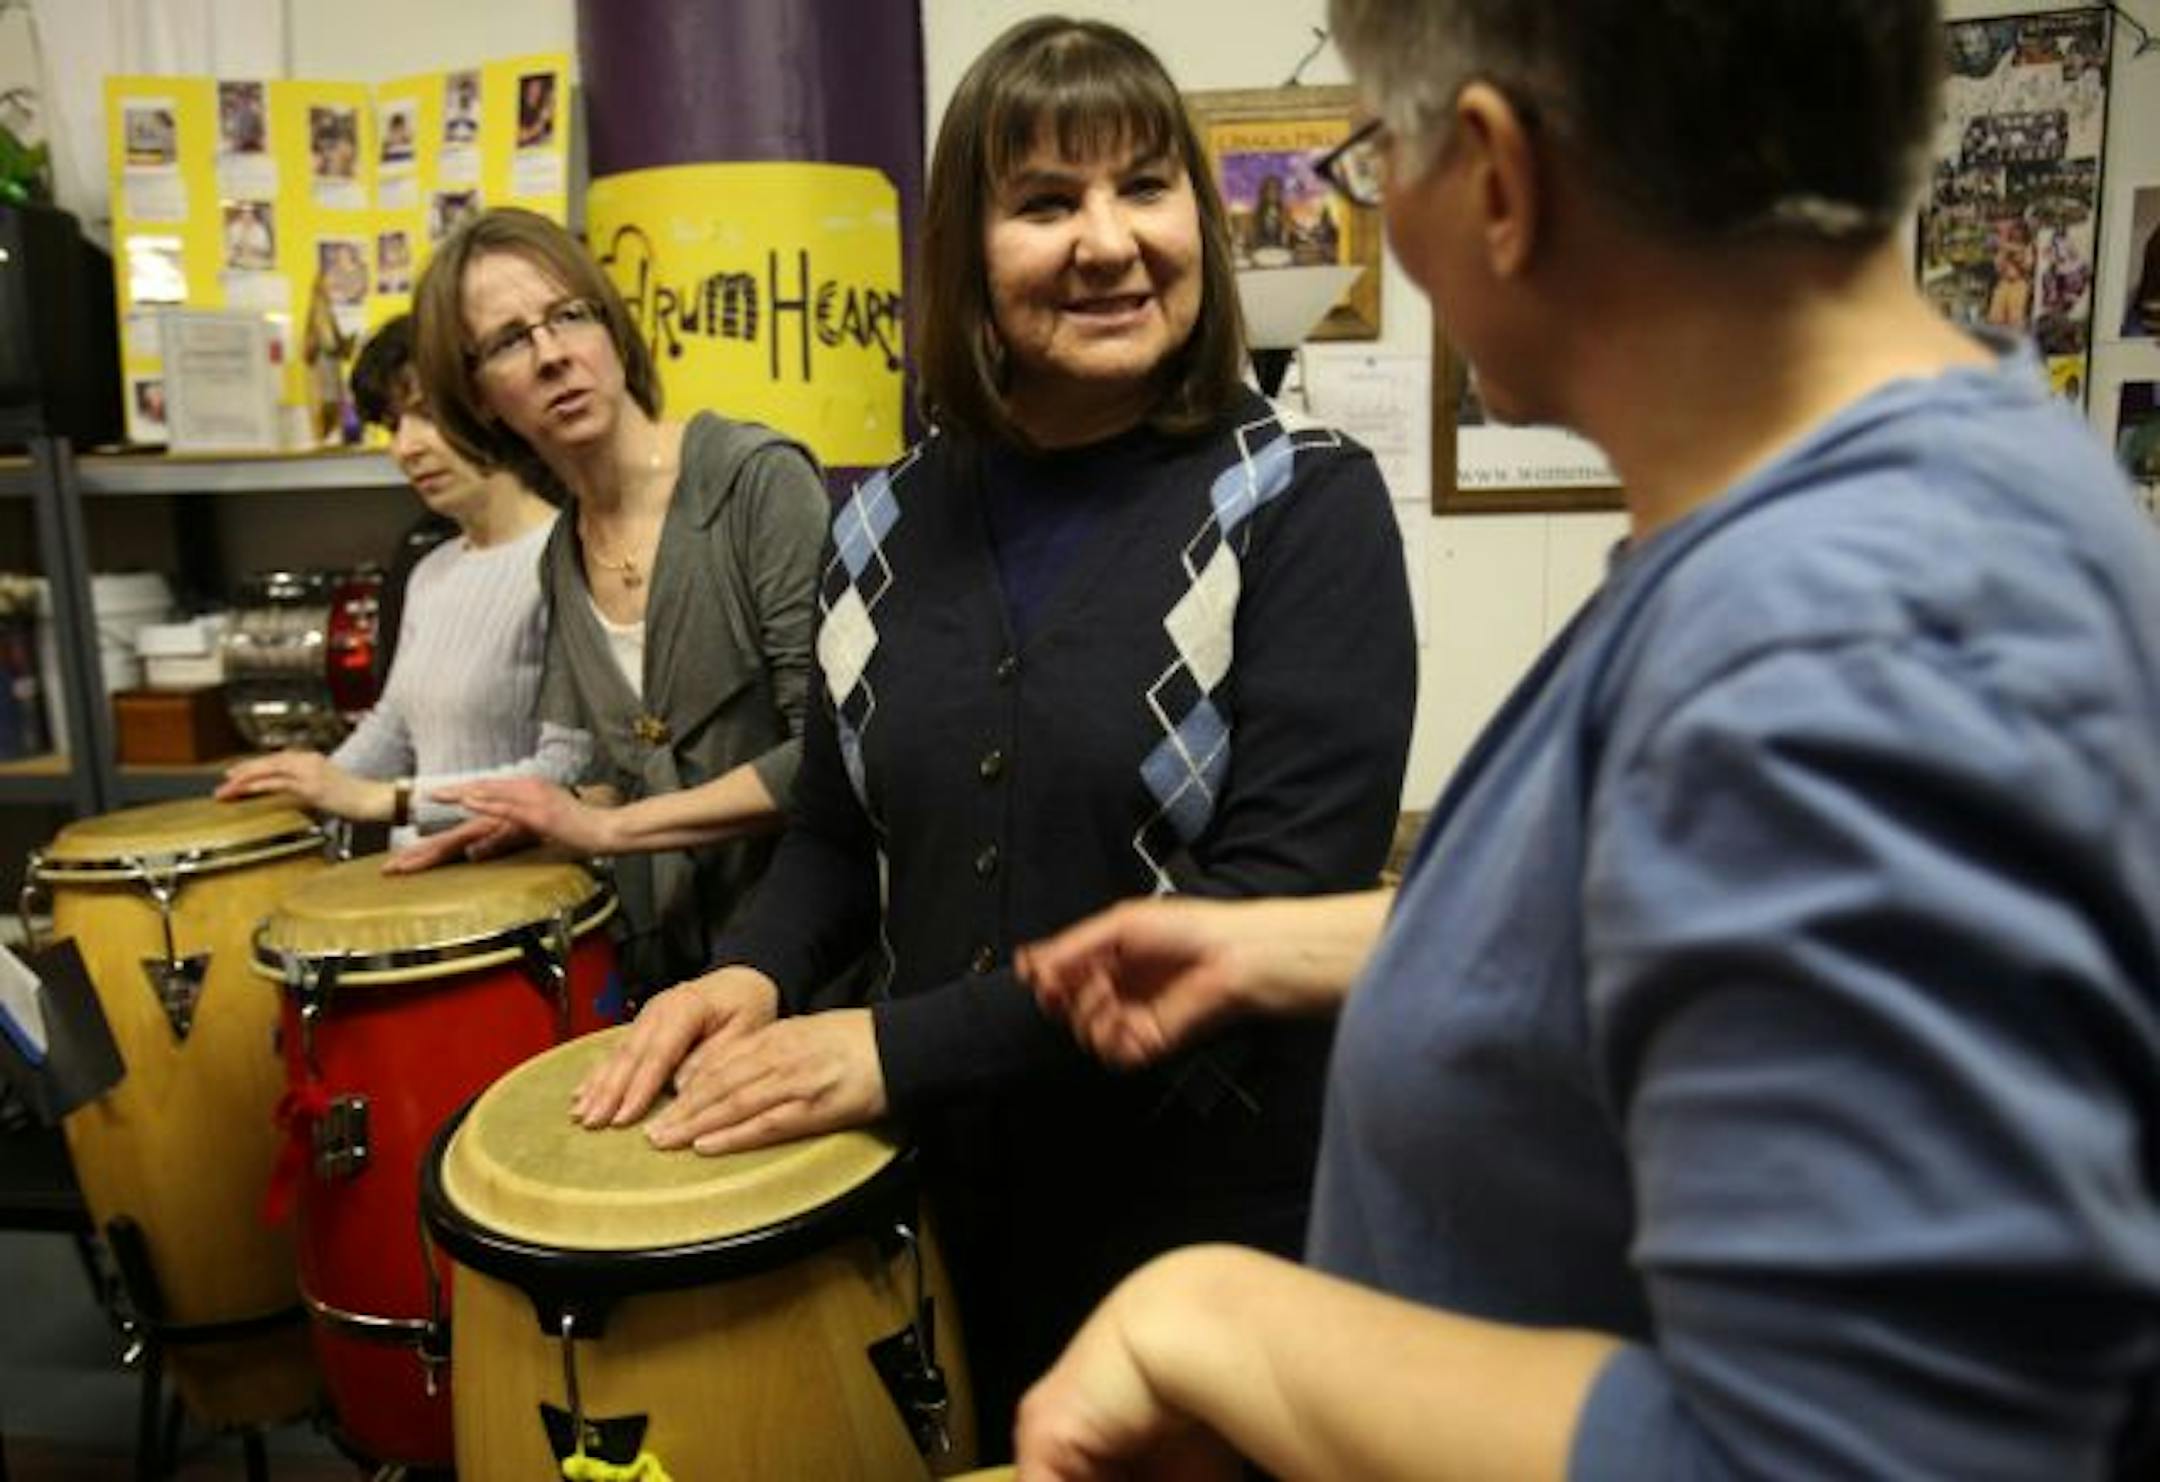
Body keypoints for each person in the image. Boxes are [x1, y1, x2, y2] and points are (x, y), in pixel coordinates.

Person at [1014, 2, 2160, 1478]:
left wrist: (1218, 1320)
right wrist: (1302, 947)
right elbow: (1680, 915)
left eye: (1379, 156)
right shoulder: (1920, 496)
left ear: (1497, 178)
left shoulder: (1841, 636)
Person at [556, 15, 1415, 1454]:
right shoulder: (879, 522)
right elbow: (838, 829)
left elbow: (1262, 912)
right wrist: (755, 975)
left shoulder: (1302, 506)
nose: (1109, 240)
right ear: (966, 247)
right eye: (1044, 203)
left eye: (1146, 187)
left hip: (1207, 1229)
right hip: (931, 1212)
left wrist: (893, 1047)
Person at [399, 207, 829, 996]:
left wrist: (605, 828)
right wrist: (531, 819)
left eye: (570, 316)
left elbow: (830, 759)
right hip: (663, 972)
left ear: (610, 326)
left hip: (801, 970)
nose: (554, 355)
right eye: (508, 341)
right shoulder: (563, 556)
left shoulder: (756, 482)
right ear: (479, 397)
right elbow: (609, 774)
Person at [217, 315, 585, 842]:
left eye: (426, 415)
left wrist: (377, 800)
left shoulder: (566, 560)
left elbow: (568, 773)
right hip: (418, 888)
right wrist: (306, 781)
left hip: (516, 894)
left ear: (493, 410)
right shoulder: (430, 571)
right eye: (393, 425)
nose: (405, 448)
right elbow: (394, 726)